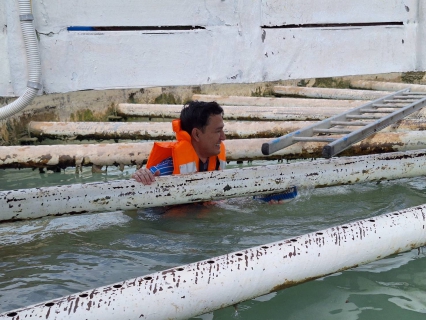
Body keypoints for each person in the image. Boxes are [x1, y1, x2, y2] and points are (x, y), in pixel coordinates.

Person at [132, 101, 226, 185]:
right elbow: (131, 188)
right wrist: (141, 176)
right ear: (196, 134)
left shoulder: (217, 161)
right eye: (218, 131)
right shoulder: (164, 171)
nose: (223, 137)